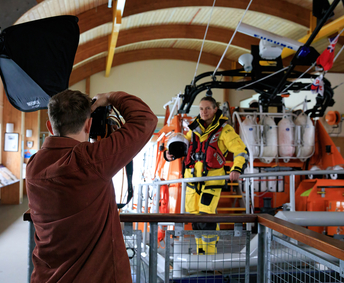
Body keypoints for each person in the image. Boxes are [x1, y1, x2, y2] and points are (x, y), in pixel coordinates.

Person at [26, 90, 157, 282]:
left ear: (50, 127)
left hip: (47, 276)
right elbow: (145, 120)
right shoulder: (90, 161)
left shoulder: (34, 164)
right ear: (89, 124)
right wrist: (112, 97)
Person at [165, 96, 248, 255]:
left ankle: (209, 255)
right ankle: (200, 253)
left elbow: (241, 151)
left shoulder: (225, 130)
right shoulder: (194, 130)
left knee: (206, 218)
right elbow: (182, 146)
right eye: (201, 109)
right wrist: (169, 154)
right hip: (192, 182)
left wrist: (236, 169)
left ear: (215, 109)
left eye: (208, 108)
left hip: (211, 182)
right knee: (196, 220)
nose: (204, 112)